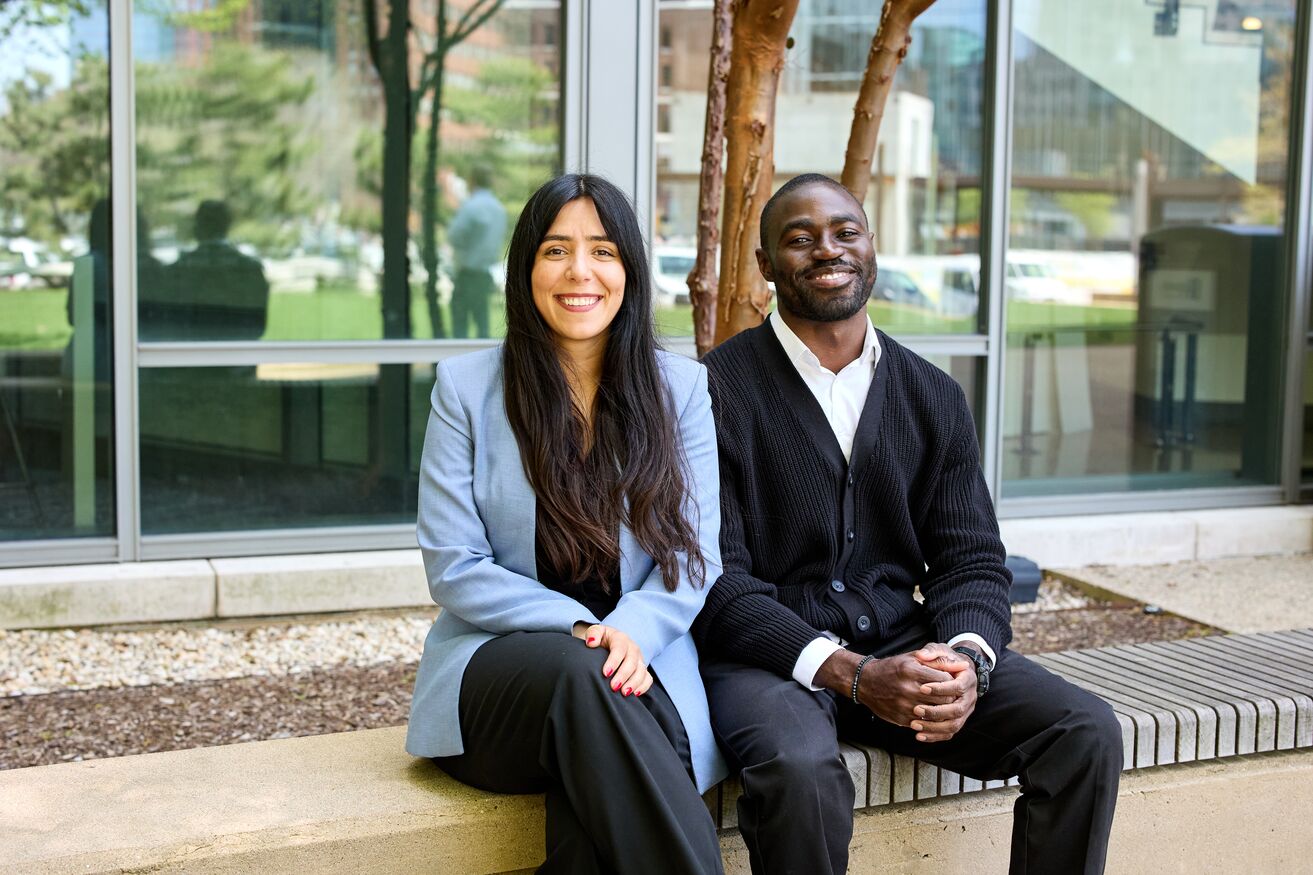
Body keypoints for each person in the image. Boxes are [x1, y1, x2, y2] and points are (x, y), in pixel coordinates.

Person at [694, 173, 1122, 875]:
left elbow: (971, 560)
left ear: (871, 247)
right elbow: (716, 580)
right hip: (768, 656)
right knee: (801, 771)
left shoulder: (932, 394)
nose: (826, 249)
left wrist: (966, 660)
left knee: (1083, 730)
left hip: (901, 643)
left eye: (844, 232)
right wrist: (850, 673)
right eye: (798, 239)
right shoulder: (712, 390)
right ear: (767, 266)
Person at [406, 173, 727, 874]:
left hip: (638, 663)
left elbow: (694, 556)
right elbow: (454, 565)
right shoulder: (464, 389)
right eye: (555, 250)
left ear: (629, 271)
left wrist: (630, 632)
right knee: (590, 682)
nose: (579, 271)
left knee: (599, 780)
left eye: (602, 250)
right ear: (525, 270)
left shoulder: (681, 390)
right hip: (500, 675)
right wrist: (584, 631)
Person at [447, 166, 507, 338]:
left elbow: (454, 236)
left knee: (460, 325)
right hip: (484, 273)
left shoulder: (471, 207)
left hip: (467, 273)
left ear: (472, 181)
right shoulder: (498, 209)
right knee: (482, 324)